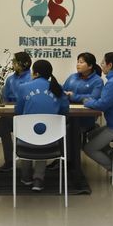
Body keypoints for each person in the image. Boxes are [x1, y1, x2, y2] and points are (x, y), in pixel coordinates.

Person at [14, 59, 69, 191]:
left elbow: (18, 111)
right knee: (44, 135)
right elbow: (65, 111)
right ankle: (38, 179)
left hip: (26, 141)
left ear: (36, 73)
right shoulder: (57, 87)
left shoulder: (23, 87)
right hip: (51, 141)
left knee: (27, 133)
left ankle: (26, 177)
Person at [82, 51, 113, 181]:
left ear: (110, 65)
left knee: (88, 148)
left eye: (103, 63)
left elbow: (102, 105)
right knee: (91, 135)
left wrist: (88, 102)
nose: (101, 65)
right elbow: (105, 100)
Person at [0, 51, 33, 168]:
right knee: (4, 123)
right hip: (12, 115)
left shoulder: (32, 78)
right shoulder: (10, 79)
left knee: (3, 123)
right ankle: (7, 160)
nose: (12, 63)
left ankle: (1, 157)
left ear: (23, 63)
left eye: (14, 61)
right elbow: (4, 98)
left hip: (27, 117)